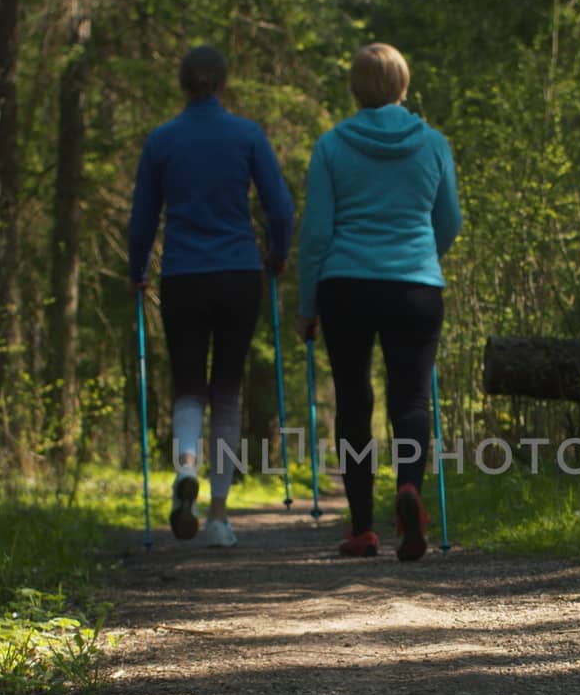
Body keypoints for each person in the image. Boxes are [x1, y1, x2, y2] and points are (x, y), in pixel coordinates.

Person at [296, 43, 462, 561]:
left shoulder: (331, 146)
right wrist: (419, 260)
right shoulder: (433, 143)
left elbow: (317, 234)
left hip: (345, 285)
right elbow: (449, 220)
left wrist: (308, 305)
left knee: (353, 400)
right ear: (403, 85)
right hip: (415, 285)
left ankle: (362, 528)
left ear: (355, 88)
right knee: (410, 400)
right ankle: (408, 491)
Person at [127, 45, 294, 548]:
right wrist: (277, 255)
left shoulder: (161, 141)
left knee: (187, 387)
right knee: (227, 390)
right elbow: (281, 210)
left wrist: (138, 271)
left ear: (183, 86)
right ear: (224, 85)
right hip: (240, 273)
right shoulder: (247, 135)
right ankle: (219, 516)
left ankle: (185, 470)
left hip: (183, 276)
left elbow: (142, 221)